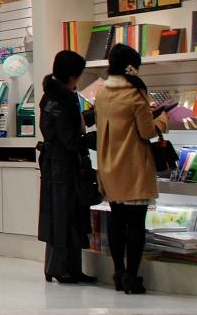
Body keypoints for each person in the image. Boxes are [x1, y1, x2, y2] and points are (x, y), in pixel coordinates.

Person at [94, 44, 169, 295]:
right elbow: (146, 132)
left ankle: (118, 272)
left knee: (116, 221)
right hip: (133, 165)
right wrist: (162, 120)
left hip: (108, 164)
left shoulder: (102, 92)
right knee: (136, 224)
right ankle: (132, 277)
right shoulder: (135, 92)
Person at [37, 50, 97, 284]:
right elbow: (70, 137)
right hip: (66, 166)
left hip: (52, 164)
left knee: (58, 215)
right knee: (68, 216)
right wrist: (95, 139)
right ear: (72, 76)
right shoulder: (66, 99)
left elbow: (64, 126)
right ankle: (64, 268)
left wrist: (91, 116)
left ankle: (58, 267)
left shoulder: (49, 95)